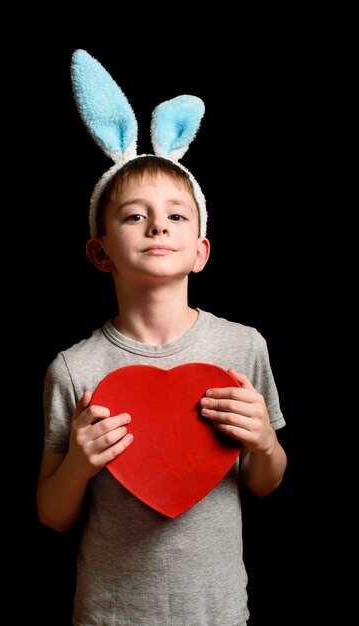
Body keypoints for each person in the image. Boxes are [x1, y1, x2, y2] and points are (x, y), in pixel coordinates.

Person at [37, 49, 287, 626]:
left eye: (177, 216)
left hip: (219, 612)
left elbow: (265, 482)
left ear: (201, 251)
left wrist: (264, 445)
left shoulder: (243, 347)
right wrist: (79, 462)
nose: (157, 226)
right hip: (108, 614)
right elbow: (52, 514)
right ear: (100, 251)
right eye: (133, 216)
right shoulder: (74, 369)